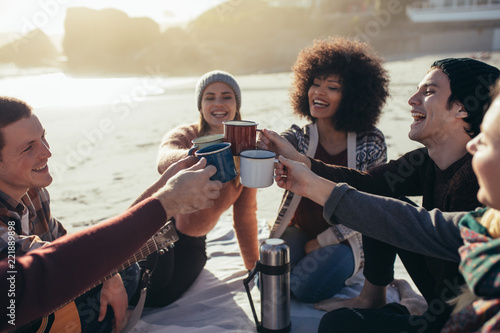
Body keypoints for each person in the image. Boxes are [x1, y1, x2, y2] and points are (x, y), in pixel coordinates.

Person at [259, 58, 500, 327]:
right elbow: (368, 183)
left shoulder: (477, 183)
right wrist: (304, 164)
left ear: (461, 108)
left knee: (336, 323)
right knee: (382, 202)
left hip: (454, 314)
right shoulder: (426, 162)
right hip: (438, 295)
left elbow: (418, 228)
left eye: (429, 92)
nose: (412, 99)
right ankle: (372, 298)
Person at [0, 96, 222, 331]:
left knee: (136, 271)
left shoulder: (34, 192)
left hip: (52, 288)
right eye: (28, 148)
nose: (47, 152)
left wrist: (164, 185)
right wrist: (166, 198)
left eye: (43, 137)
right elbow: (58, 265)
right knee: (131, 276)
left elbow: (66, 245)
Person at [257, 36, 389, 303]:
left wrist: (323, 241)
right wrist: (263, 146)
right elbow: (282, 144)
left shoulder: (370, 142)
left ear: (352, 95)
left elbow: (372, 206)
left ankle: (345, 265)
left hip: (345, 239)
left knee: (303, 288)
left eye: (332, 87)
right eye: (315, 84)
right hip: (298, 229)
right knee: (267, 281)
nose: (319, 92)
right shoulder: (301, 136)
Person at [150, 70, 258, 307]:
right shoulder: (186, 135)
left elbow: (245, 218)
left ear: (236, 105)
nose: (218, 103)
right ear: (200, 106)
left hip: (195, 241)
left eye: (226, 96)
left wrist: (254, 268)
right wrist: (204, 156)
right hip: (161, 228)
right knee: (154, 284)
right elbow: (164, 159)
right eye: (209, 97)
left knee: (164, 299)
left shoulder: (245, 151)